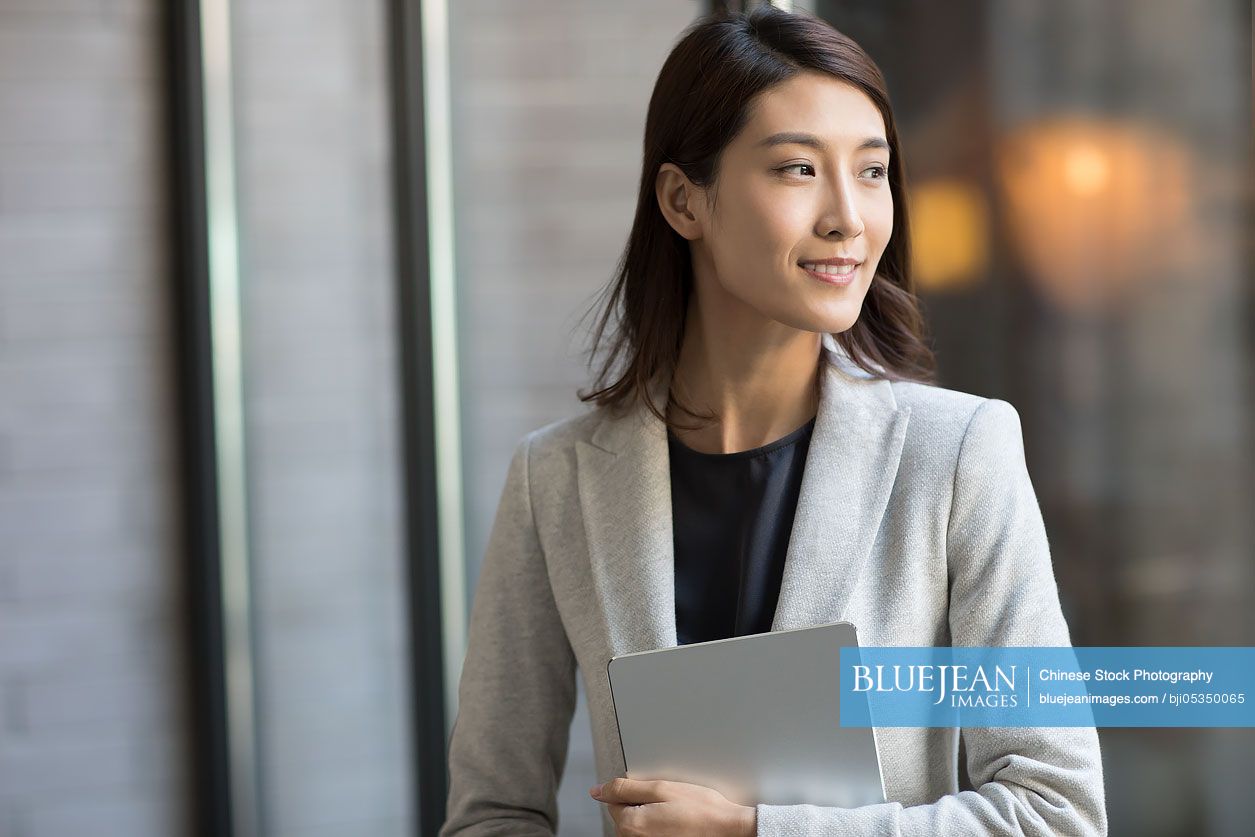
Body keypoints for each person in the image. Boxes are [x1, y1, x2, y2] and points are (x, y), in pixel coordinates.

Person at [440, 6, 1107, 836]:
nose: (848, 218)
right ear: (684, 200)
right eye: (797, 170)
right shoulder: (556, 481)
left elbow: (1057, 811)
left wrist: (755, 829)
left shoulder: (958, 452)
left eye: (871, 171)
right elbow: (491, 812)